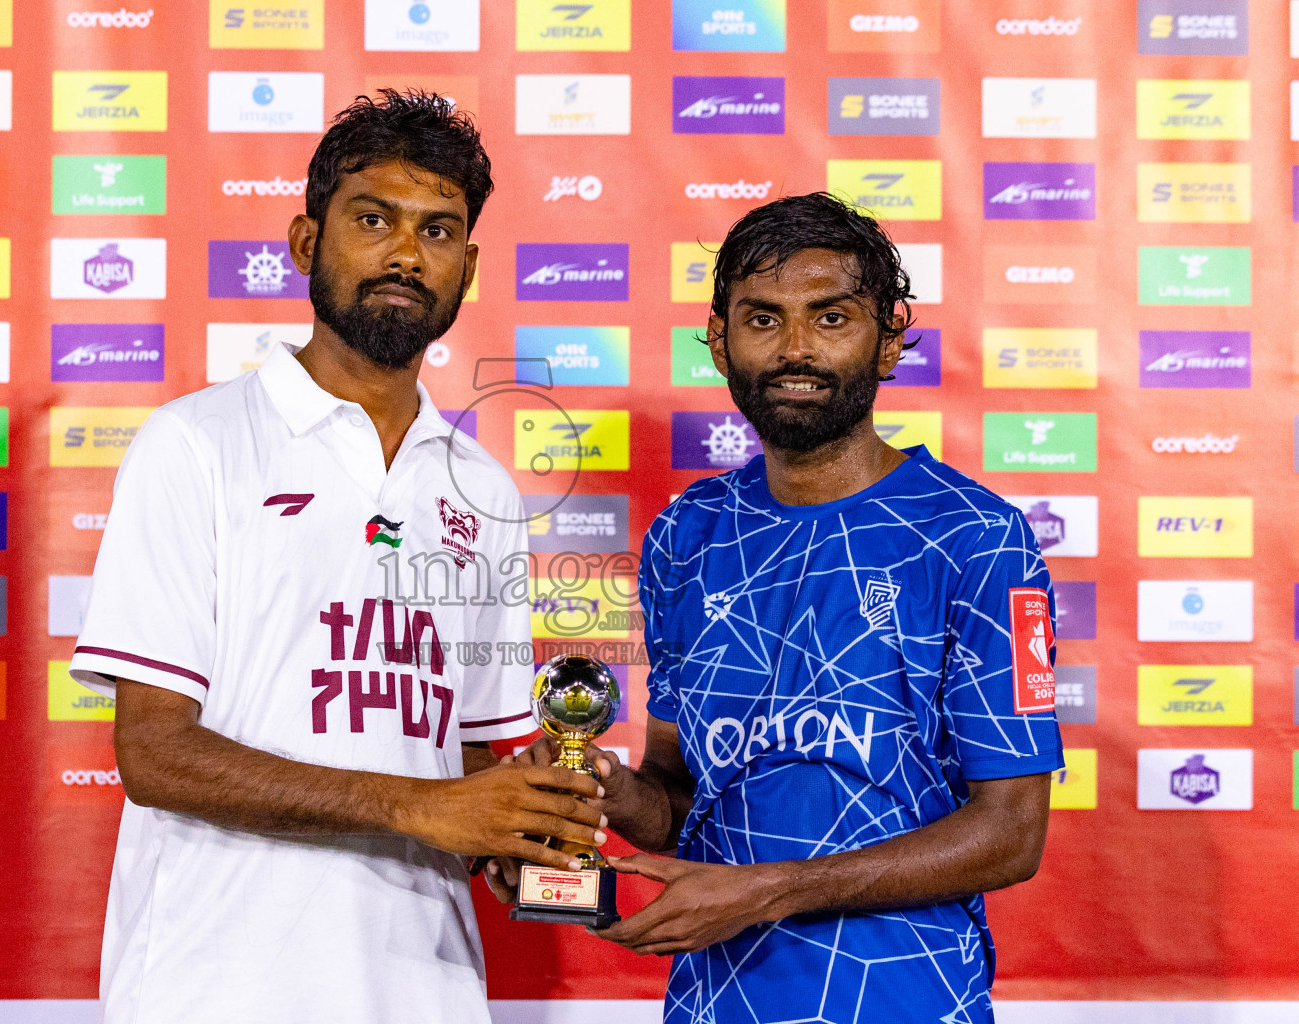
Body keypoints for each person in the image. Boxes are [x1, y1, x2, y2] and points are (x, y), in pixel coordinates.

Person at [69, 91, 607, 1024]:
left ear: (468, 268)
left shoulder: (484, 487)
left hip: (424, 988)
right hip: (215, 988)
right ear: (306, 241)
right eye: (374, 220)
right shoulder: (196, 442)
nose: (406, 254)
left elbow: (475, 768)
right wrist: (419, 808)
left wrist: (531, 835)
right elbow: (154, 755)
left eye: (438, 230)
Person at [494, 192, 1063, 1024]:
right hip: (717, 1001)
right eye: (764, 319)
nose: (796, 348)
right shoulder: (687, 534)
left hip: (909, 998)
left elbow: (1012, 834)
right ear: (721, 342)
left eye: (830, 318)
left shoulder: (977, 537)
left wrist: (765, 893)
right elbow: (683, 802)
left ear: (891, 336)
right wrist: (604, 790)